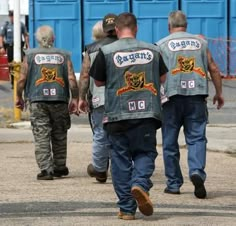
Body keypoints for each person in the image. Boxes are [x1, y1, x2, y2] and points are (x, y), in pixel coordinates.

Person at [90, 12, 167, 220]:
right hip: (147, 112)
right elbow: (162, 78)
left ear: (116, 30)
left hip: (117, 113)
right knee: (145, 153)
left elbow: (97, 82)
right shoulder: (153, 49)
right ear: (136, 28)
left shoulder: (105, 51)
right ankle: (140, 183)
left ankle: (126, 209)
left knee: (120, 160)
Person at [156, 10, 224, 199]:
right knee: (196, 138)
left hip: (171, 98)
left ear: (169, 26)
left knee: (169, 142)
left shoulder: (161, 45)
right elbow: (214, 69)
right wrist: (219, 93)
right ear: (186, 25)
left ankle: (173, 184)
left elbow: (155, 75)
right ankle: (196, 172)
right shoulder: (201, 43)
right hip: (196, 97)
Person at [15, 25, 79, 180]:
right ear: (53, 38)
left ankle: (46, 170)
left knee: (41, 135)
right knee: (60, 134)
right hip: (60, 100)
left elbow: (22, 79)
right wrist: (75, 98)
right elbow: (71, 79)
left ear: (37, 39)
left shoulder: (29, 55)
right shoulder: (64, 55)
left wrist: (19, 96)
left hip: (38, 101)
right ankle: (60, 167)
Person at [78, 14, 117, 183]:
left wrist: (81, 98)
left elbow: (85, 75)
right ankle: (122, 169)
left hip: (99, 97)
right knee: (123, 133)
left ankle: (100, 170)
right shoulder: (127, 46)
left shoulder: (91, 49)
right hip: (123, 96)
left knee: (101, 134)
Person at [0, 10, 29, 88]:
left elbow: (25, 35)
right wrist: (2, 46)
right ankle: (13, 82)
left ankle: (21, 80)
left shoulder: (21, 25)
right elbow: (1, 36)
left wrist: (27, 45)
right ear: (9, 17)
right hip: (10, 47)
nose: (12, 17)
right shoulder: (6, 25)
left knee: (21, 64)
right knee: (11, 64)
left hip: (19, 47)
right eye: (11, 16)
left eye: (13, 16)